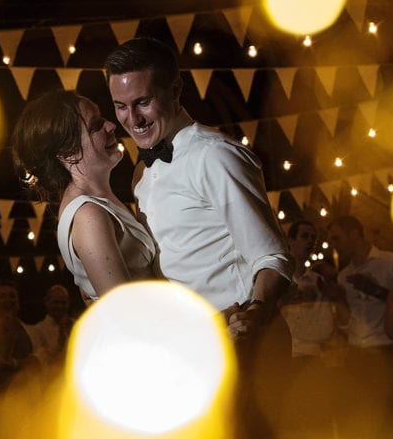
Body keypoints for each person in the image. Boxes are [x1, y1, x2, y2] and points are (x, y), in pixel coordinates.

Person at [104, 37, 292, 338]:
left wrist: (256, 312)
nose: (133, 119)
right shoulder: (142, 173)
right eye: (120, 106)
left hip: (241, 335)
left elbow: (272, 257)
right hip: (191, 341)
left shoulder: (214, 156)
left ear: (176, 90)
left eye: (143, 102)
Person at [11, 88, 158, 302]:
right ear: (67, 152)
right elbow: (125, 311)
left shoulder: (97, 202)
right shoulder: (88, 215)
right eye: (95, 126)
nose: (111, 126)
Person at [323, 215, 393, 349]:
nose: (334, 246)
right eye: (331, 241)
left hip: (387, 348)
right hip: (356, 351)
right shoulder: (343, 276)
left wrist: (375, 290)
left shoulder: (391, 262)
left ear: (354, 234)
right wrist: (338, 300)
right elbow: (348, 323)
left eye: (336, 239)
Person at [278, 220, 336, 358]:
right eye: (304, 236)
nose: (310, 241)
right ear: (290, 241)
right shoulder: (278, 279)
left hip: (310, 355)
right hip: (280, 353)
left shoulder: (317, 281)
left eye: (313, 238)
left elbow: (326, 329)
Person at [27, 284, 75, 368]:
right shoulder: (38, 330)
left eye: (63, 303)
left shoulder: (76, 326)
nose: (60, 306)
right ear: (46, 302)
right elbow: (40, 360)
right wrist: (60, 342)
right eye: (55, 302)